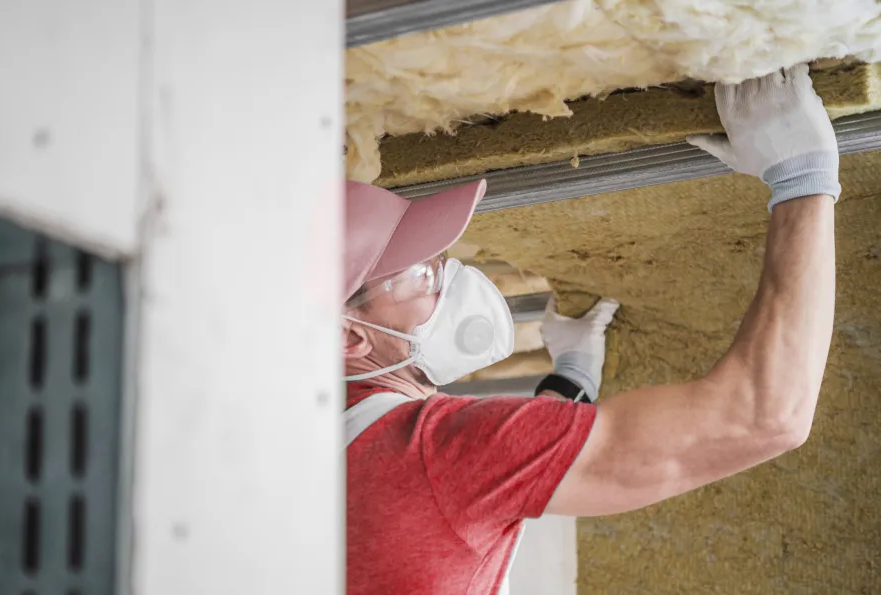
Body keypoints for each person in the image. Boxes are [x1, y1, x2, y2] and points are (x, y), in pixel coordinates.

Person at [342, 63, 838, 595]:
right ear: (349, 338)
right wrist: (802, 178)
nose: (452, 277)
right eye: (421, 275)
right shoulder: (435, 454)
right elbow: (764, 416)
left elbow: (478, 481)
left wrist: (572, 380)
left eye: (440, 257)